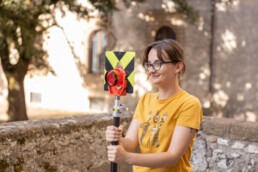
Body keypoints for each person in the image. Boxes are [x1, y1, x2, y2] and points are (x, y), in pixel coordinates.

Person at [105, 39, 203, 172]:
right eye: (149, 65)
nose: (151, 70)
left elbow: (172, 157)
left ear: (178, 67)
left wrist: (127, 158)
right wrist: (118, 139)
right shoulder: (145, 99)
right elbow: (131, 144)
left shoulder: (189, 104)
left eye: (158, 64)